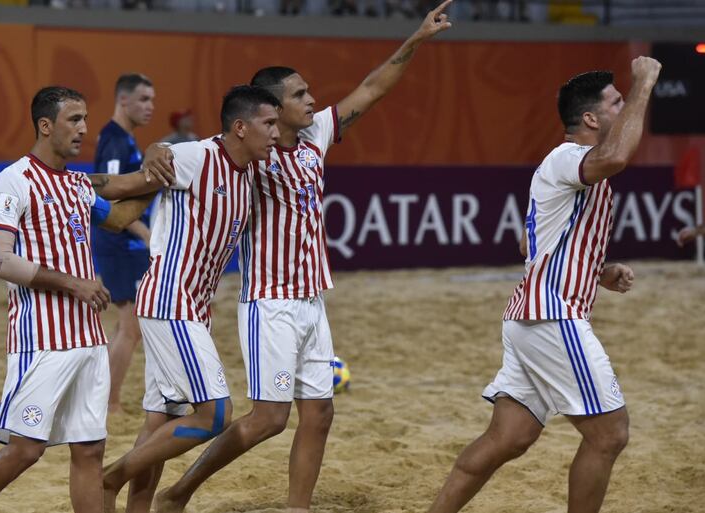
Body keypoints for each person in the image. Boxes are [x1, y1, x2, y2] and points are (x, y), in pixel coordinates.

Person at [143, 3, 453, 512]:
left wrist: (416, 38)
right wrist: (154, 145)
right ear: (271, 109)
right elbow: (191, 152)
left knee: (321, 414)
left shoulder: (315, 138)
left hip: (313, 300)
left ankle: (297, 508)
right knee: (268, 418)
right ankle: (179, 492)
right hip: (270, 303)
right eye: (300, 94)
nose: (313, 100)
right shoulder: (250, 155)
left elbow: (372, 88)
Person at [428, 57, 662, 513]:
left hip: (530, 318)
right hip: (553, 316)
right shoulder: (568, 157)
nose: (626, 106)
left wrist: (596, 270)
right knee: (609, 435)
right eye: (617, 102)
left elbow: (528, 243)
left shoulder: (571, 169)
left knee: (507, 438)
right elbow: (615, 155)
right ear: (591, 119)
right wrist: (644, 83)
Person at [0, 86, 172, 513]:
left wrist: (161, 165)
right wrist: (75, 284)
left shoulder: (76, 184)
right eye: (74, 120)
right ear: (45, 125)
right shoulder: (13, 180)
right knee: (25, 450)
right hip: (42, 342)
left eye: (86, 119)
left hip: (89, 341)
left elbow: (123, 215)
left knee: (89, 451)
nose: (84, 129)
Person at [101, 85, 281, 513]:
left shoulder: (251, 169)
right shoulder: (196, 157)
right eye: (268, 124)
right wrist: (152, 150)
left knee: (161, 423)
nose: (276, 133)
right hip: (170, 299)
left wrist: (154, 146)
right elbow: (121, 187)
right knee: (215, 414)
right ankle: (110, 477)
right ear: (240, 127)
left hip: (194, 308)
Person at [93, 72, 156, 413]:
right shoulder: (116, 141)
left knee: (125, 325)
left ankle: (102, 394)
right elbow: (111, 200)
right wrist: (147, 234)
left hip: (123, 245)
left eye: (152, 100)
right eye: (144, 99)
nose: (151, 107)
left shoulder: (124, 139)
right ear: (123, 100)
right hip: (120, 245)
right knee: (132, 327)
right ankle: (110, 402)